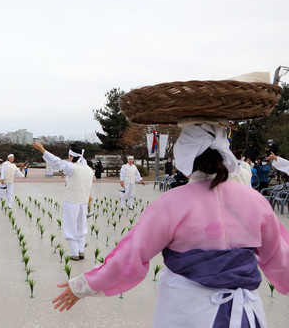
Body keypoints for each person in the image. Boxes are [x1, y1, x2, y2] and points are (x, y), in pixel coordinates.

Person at [52, 123, 289, 327]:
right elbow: (282, 259)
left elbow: (131, 254)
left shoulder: (172, 203)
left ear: (184, 156)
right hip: (245, 314)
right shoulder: (254, 201)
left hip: (188, 313)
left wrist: (83, 286)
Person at [33, 142, 94, 261]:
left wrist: (42, 150)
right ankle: (81, 250)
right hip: (83, 201)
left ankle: (75, 252)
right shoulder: (88, 169)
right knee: (81, 227)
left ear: (72, 156)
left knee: (71, 227)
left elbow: (56, 162)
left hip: (72, 201)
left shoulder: (72, 167)